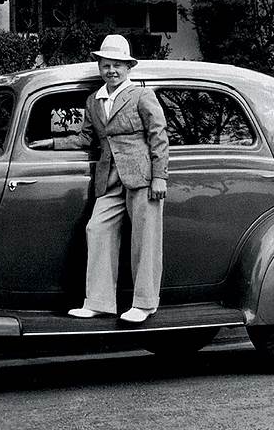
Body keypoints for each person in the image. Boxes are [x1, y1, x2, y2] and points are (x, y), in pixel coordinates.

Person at [30, 34, 170, 323]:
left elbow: (159, 136)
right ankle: (98, 302)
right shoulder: (94, 100)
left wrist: (160, 177)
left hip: (142, 175)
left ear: (128, 67)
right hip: (109, 177)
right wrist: (52, 143)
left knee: (145, 239)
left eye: (117, 65)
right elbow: (85, 138)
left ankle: (145, 304)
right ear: (100, 67)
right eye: (106, 65)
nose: (111, 70)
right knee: (97, 229)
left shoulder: (141, 95)